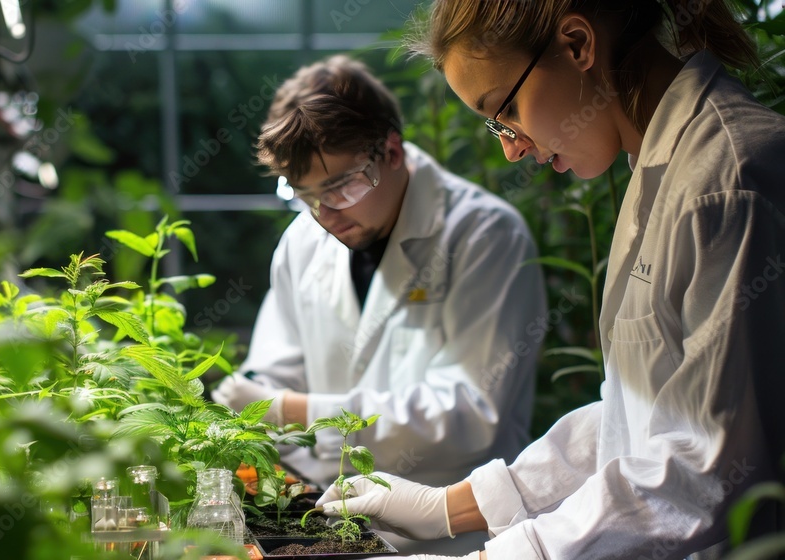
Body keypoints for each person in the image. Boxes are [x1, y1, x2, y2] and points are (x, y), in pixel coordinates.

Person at [314, 1, 785, 559]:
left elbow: (704, 467)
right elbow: (636, 417)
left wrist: (500, 555)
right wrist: (454, 507)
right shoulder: (660, 167)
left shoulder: (731, 178)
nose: (510, 146)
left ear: (578, 46)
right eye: (494, 125)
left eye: (507, 109)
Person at [210, 55, 548, 554]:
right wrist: (258, 398)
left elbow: (473, 413)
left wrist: (295, 412)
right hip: (326, 527)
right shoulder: (303, 240)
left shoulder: (483, 235)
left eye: (340, 187)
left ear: (391, 151)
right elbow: (276, 368)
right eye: (304, 195)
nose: (325, 216)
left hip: (453, 538)